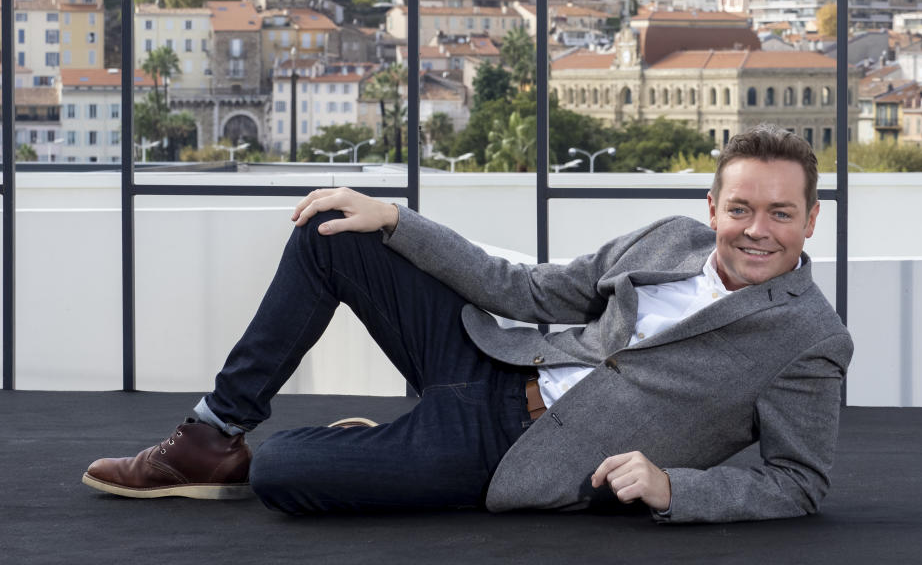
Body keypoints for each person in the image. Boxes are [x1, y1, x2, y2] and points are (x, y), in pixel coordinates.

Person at [82, 124, 853, 523]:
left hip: (512, 451)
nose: (757, 230)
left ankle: (367, 450)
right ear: (712, 208)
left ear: (811, 221)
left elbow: (797, 482)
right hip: (492, 359)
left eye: (780, 214)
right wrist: (395, 219)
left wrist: (672, 487)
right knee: (333, 235)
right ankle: (209, 437)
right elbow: (526, 289)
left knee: (285, 473)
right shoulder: (668, 239)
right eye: (741, 209)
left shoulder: (810, 337)